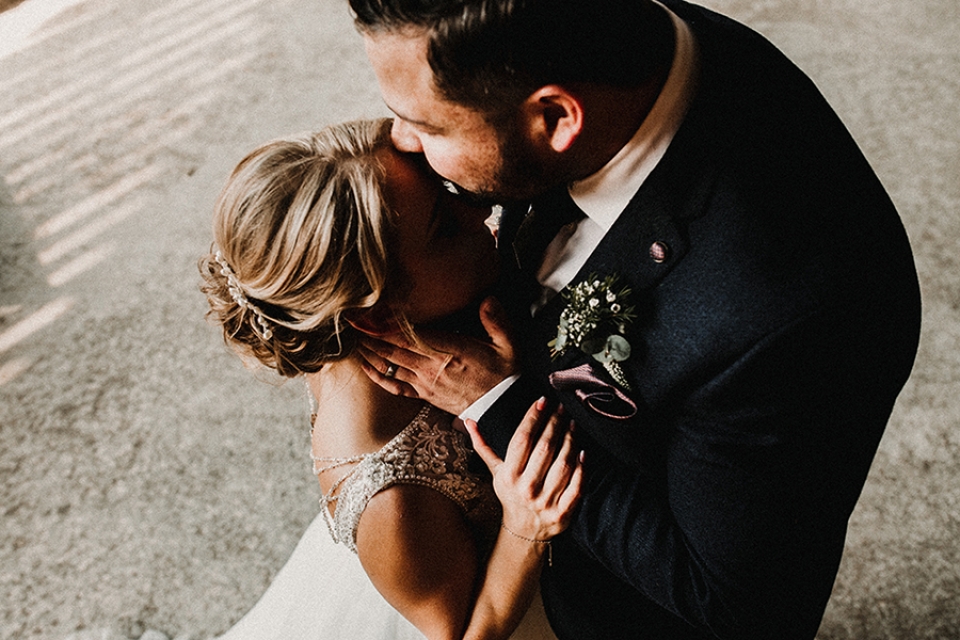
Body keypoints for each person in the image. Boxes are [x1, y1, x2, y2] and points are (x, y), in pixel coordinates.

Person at [350, 1, 923, 638]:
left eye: (425, 125)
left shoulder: (786, 312)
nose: (401, 141)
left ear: (554, 117)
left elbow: (737, 604)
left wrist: (502, 405)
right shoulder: (613, 46)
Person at [199, 118, 583, 640]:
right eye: (445, 227)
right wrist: (525, 527)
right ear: (377, 316)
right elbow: (466, 633)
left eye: (446, 191)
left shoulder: (378, 325)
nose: (481, 209)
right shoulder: (388, 496)